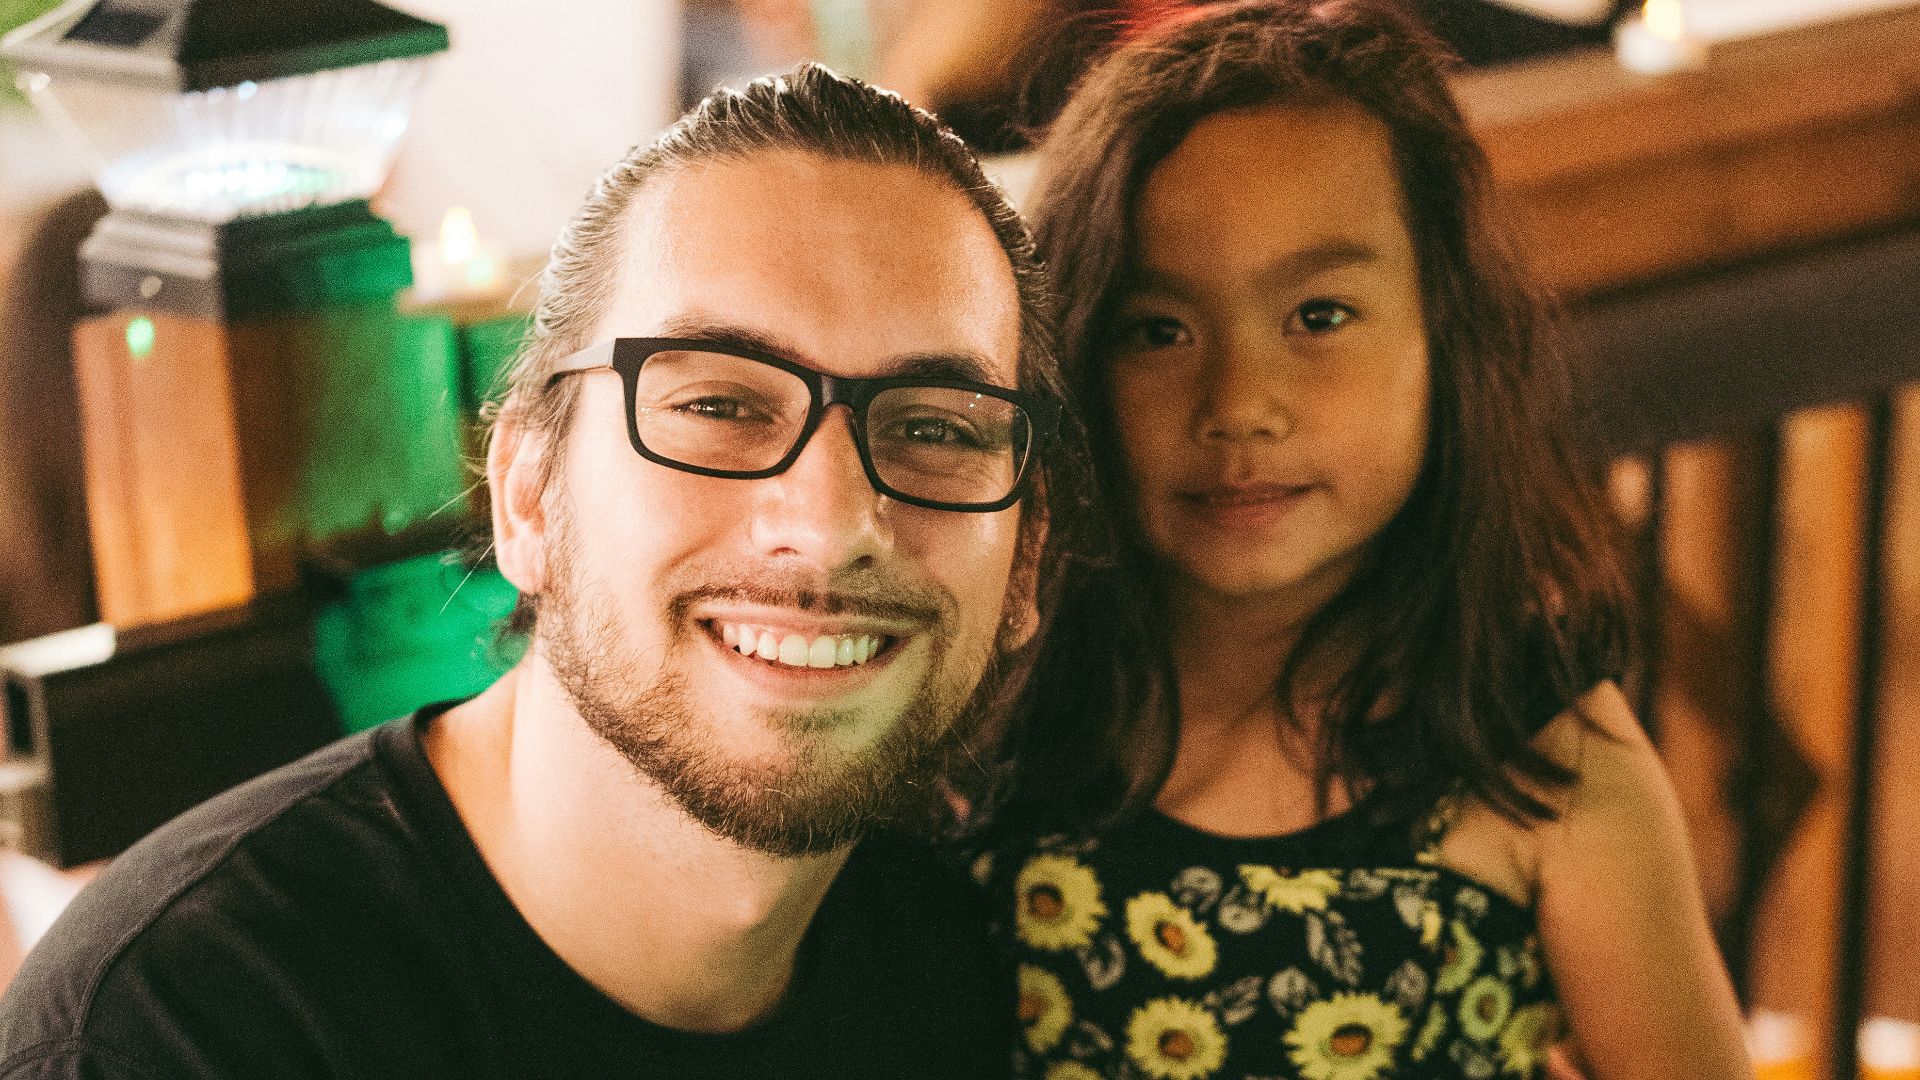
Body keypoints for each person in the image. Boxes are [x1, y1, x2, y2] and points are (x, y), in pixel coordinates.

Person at [0, 64, 1087, 1080]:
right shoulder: (186, 1027)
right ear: (526, 494)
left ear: (1026, 556)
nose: (831, 521)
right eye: (717, 405)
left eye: (937, 428)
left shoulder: (956, 962)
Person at [980, 2, 1752, 1078]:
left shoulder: (1540, 751)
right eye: (1157, 331)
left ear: (1447, 331)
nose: (1239, 404)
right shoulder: (995, 709)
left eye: (1319, 316)